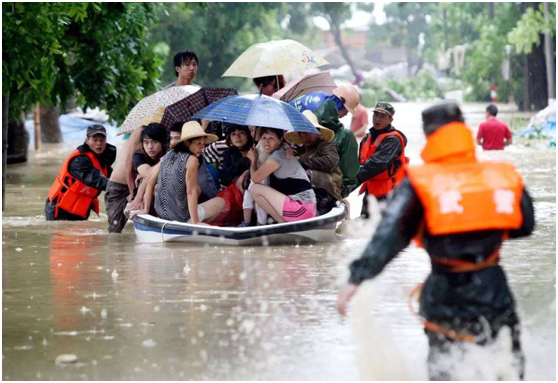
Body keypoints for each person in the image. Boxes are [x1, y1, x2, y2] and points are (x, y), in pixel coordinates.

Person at [337, 102, 535, 381]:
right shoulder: (503, 176)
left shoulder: (420, 182)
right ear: (464, 130)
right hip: (492, 287)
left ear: (429, 135)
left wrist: (355, 278)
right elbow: (525, 226)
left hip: (444, 292)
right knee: (504, 368)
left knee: (445, 370)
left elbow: (389, 237)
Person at [147, 121, 223, 224]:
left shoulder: (167, 156)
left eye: (203, 144)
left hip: (161, 214)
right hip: (180, 217)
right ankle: (193, 222)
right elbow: (191, 192)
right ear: (187, 142)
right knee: (220, 202)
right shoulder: (192, 160)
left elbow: (150, 182)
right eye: (198, 143)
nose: (202, 148)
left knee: (196, 189)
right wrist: (196, 221)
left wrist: (145, 210)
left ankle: (194, 220)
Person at [104, 108, 165, 233]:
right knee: (115, 230)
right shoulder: (140, 131)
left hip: (140, 180)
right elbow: (128, 163)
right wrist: (133, 192)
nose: (150, 145)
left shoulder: (161, 135)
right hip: (120, 184)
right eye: (147, 142)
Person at [46, 125, 116, 221]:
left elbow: (115, 176)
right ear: (87, 140)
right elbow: (96, 180)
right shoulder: (79, 160)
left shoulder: (101, 159)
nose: (99, 143)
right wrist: (119, 186)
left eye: (102, 140)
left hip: (80, 207)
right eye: (95, 140)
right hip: (59, 207)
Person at [248, 128, 317, 223]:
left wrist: (253, 160)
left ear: (280, 139)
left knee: (254, 189)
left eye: (271, 138)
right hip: (308, 209)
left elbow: (255, 178)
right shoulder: (281, 151)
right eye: (264, 138)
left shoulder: (278, 156)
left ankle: (281, 222)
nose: (266, 142)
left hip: (301, 209)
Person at [285, 111, 343, 215]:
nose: (306, 135)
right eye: (302, 132)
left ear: (318, 131)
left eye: (310, 130)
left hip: (327, 191)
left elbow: (330, 162)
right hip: (306, 192)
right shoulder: (300, 151)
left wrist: (301, 161)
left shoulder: (326, 145)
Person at [357, 102, 408, 218]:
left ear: (391, 119)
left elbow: (376, 164)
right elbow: (359, 163)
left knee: (379, 226)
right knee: (364, 225)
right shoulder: (367, 138)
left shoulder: (393, 140)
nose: (377, 119)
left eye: (383, 116)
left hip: (389, 192)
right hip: (370, 189)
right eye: (376, 115)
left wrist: (349, 183)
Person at [314, 99, 359, 199]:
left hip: (333, 191)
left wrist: (339, 194)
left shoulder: (345, 135)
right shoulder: (312, 135)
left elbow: (349, 174)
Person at [132, 123, 167, 196]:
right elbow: (148, 173)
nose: (150, 146)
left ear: (163, 142)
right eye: (146, 142)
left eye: (155, 142)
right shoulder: (139, 155)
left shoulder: (169, 152)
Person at [289, 84, 360, 119]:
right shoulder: (320, 114)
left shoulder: (321, 94)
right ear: (340, 106)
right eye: (345, 111)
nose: (345, 115)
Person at [219, 124, 253, 189]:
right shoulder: (229, 153)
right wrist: (244, 160)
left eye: (241, 133)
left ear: (248, 135)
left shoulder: (255, 150)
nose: (237, 137)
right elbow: (224, 178)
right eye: (233, 134)